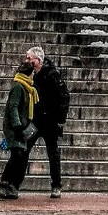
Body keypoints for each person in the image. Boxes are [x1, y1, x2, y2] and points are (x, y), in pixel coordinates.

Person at [0, 56, 39, 200]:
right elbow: (13, 107)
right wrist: (18, 126)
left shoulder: (27, 87)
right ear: (29, 73)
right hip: (14, 128)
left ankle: (9, 185)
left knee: (17, 157)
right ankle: (5, 184)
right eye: (32, 73)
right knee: (17, 157)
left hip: (20, 126)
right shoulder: (19, 86)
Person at [28, 46, 71, 199]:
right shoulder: (32, 74)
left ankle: (56, 184)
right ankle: (12, 183)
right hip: (36, 119)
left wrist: (60, 119)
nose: (27, 61)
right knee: (23, 149)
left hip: (49, 121)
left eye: (29, 59)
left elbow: (64, 96)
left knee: (53, 153)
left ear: (37, 61)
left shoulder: (52, 75)